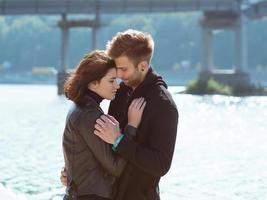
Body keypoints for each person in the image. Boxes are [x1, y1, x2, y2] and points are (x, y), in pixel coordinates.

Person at [93, 29, 179, 200]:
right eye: (116, 69)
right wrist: (76, 172)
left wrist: (119, 140)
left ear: (143, 66)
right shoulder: (120, 91)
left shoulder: (164, 105)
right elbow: (105, 146)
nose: (118, 75)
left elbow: (160, 165)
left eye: (123, 69)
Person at [62, 50, 146, 200]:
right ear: (93, 83)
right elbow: (115, 168)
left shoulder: (81, 107)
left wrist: (69, 171)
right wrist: (131, 127)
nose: (117, 86)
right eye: (111, 80)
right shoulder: (90, 115)